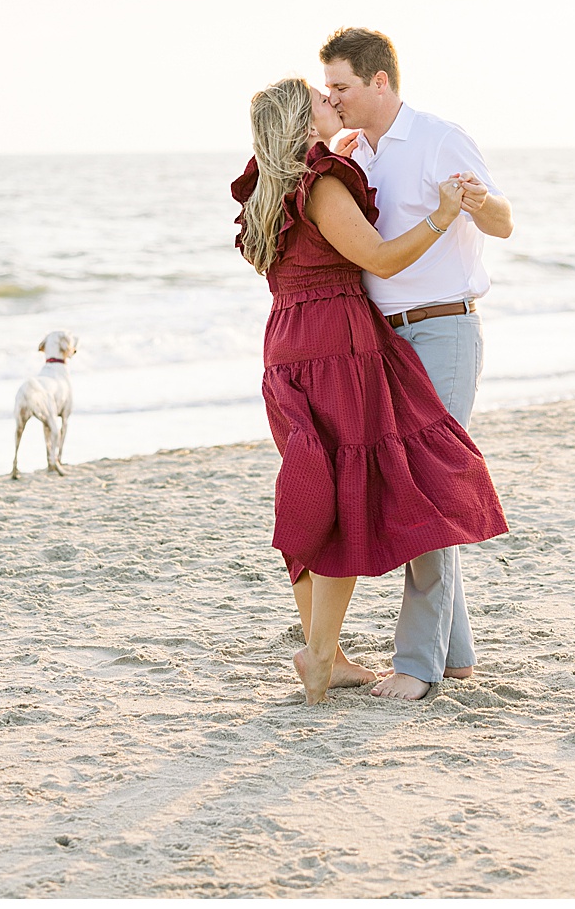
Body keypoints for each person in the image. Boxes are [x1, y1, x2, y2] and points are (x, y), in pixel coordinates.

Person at [232, 77, 509, 704]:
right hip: (336, 347)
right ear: (306, 121)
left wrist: (343, 146)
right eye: (323, 98)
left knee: (310, 486)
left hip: (288, 346)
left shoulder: (268, 182)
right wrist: (441, 216)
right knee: (347, 491)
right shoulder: (322, 182)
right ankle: (323, 657)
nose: (334, 101)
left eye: (338, 89)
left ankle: (349, 651)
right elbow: (380, 261)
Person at [318, 26, 514, 702]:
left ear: (380, 82)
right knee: (412, 486)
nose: (333, 98)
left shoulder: (438, 137)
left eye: (342, 86)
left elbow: (505, 223)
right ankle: (454, 654)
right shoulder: (352, 153)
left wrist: (475, 204)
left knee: (426, 491)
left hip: (443, 332)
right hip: (383, 341)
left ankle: (420, 667)